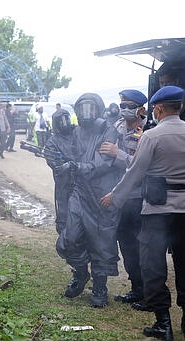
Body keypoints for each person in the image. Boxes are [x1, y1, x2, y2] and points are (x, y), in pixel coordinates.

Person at [101, 86, 185, 340]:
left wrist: (114, 197)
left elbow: (135, 173)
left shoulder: (152, 136)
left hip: (158, 211)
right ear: (179, 107)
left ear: (158, 109)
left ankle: (163, 323)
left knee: (153, 267)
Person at [55, 93, 123, 308]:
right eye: (82, 109)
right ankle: (81, 273)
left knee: (101, 243)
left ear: (99, 109)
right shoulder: (75, 132)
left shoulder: (108, 130)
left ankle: (100, 287)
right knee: (70, 237)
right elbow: (69, 155)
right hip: (80, 192)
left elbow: (103, 162)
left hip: (102, 195)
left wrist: (78, 166)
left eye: (90, 108)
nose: (86, 113)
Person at [99, 90, 147, 309]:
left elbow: (141, 167)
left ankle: (146, 291)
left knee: (139, 245)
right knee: (125, 243)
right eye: (122, 104)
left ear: (140, 109)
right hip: (116, 195)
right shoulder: (116, 126)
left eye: (129, 105)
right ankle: (136, 288)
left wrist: (118, 153)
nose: (124, 108)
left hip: (137, 196)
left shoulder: (147, 132)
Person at [43, 108, 74, 234]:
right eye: (61, 120)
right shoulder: (52, 142)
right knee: (64, 214)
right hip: (64, 184)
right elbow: (55, 165)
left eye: (66, 118)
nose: (65, 122)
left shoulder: (77, 134)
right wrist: (68, 165)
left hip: (83, 181)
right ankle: (66, 240)